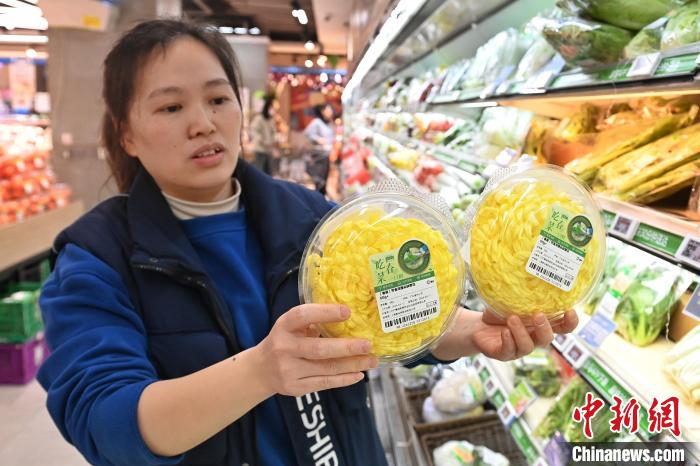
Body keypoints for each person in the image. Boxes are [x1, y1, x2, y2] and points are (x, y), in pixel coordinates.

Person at [37, 19, 579, 466]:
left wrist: (469, 330)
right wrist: (260, 372)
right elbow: (106, 422)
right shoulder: (96, 259)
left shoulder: (311, 218)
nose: (204, 123)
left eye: (218, 99)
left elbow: (392, 310)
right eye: (170, 107)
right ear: (126, 133)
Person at [303, 103, 335, 193]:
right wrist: (318, 139)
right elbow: (307, 133)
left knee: (324, 179)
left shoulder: (329, 122)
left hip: (326, 155)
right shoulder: (317, 122)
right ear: (323, 111)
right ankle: (319, 200)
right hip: (319, 156)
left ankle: (322, 198)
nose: (331, 111)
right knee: (319, 181)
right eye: (329, 109)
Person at [249, 97, 277, 175]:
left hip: (269, 150)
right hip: (260, 150)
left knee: (269, 172)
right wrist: (261, 140)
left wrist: (273, 140)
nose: (272, 110)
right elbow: (254, 130)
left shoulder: (271, 120)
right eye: (271, 108)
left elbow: (274, 132)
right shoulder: (258, 119)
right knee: (259, 171)